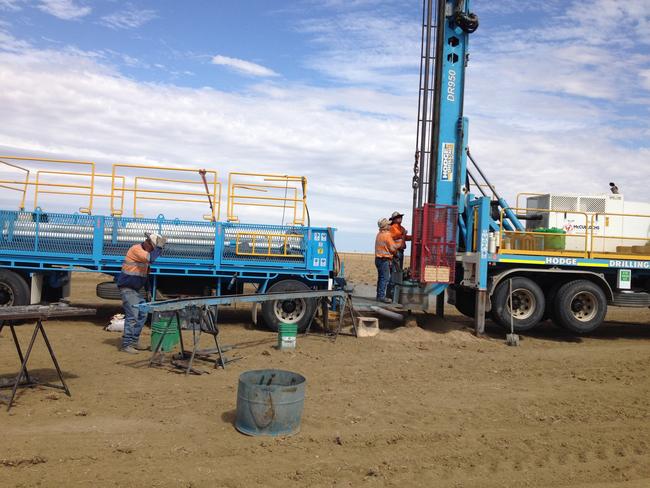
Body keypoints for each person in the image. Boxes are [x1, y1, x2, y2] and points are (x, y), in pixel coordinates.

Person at [116, 232, 166, 354]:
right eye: (153, 247)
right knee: (133, 315)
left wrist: (148, 290)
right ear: (148, 243)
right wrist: (159, 247)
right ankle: (126, 344)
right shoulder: (136, 249)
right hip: (127, 288)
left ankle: (134, 342)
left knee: (142, 314)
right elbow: (152, 259)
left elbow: (145, 275)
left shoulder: (145, 254)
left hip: (135, 290)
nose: (153, 250)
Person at [375, 218, 399, 303]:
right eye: (388, 224)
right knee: (385, 278)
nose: (390, 225)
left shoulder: (379, 234)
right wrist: (396, 253)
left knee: (381, 278)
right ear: (385, 226)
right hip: (384, 259)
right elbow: (392, 248)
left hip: (378, 259)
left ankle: (379, 295)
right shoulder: (387, 235)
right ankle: (381, 296)